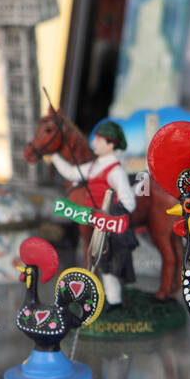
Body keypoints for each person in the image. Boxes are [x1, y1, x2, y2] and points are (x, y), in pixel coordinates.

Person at [50, 120, 137, 308]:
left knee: (108, 266)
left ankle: (114, 302)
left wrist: (111, 217)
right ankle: (104, 298)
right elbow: (72, 172)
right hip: (95, 223)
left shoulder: (115, 171)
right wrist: (56, 158)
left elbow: (128, 201)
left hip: (108, 226)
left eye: (98, 140)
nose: (94, 144)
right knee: (99, 261)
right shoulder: (92, 167)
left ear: (111, 144)